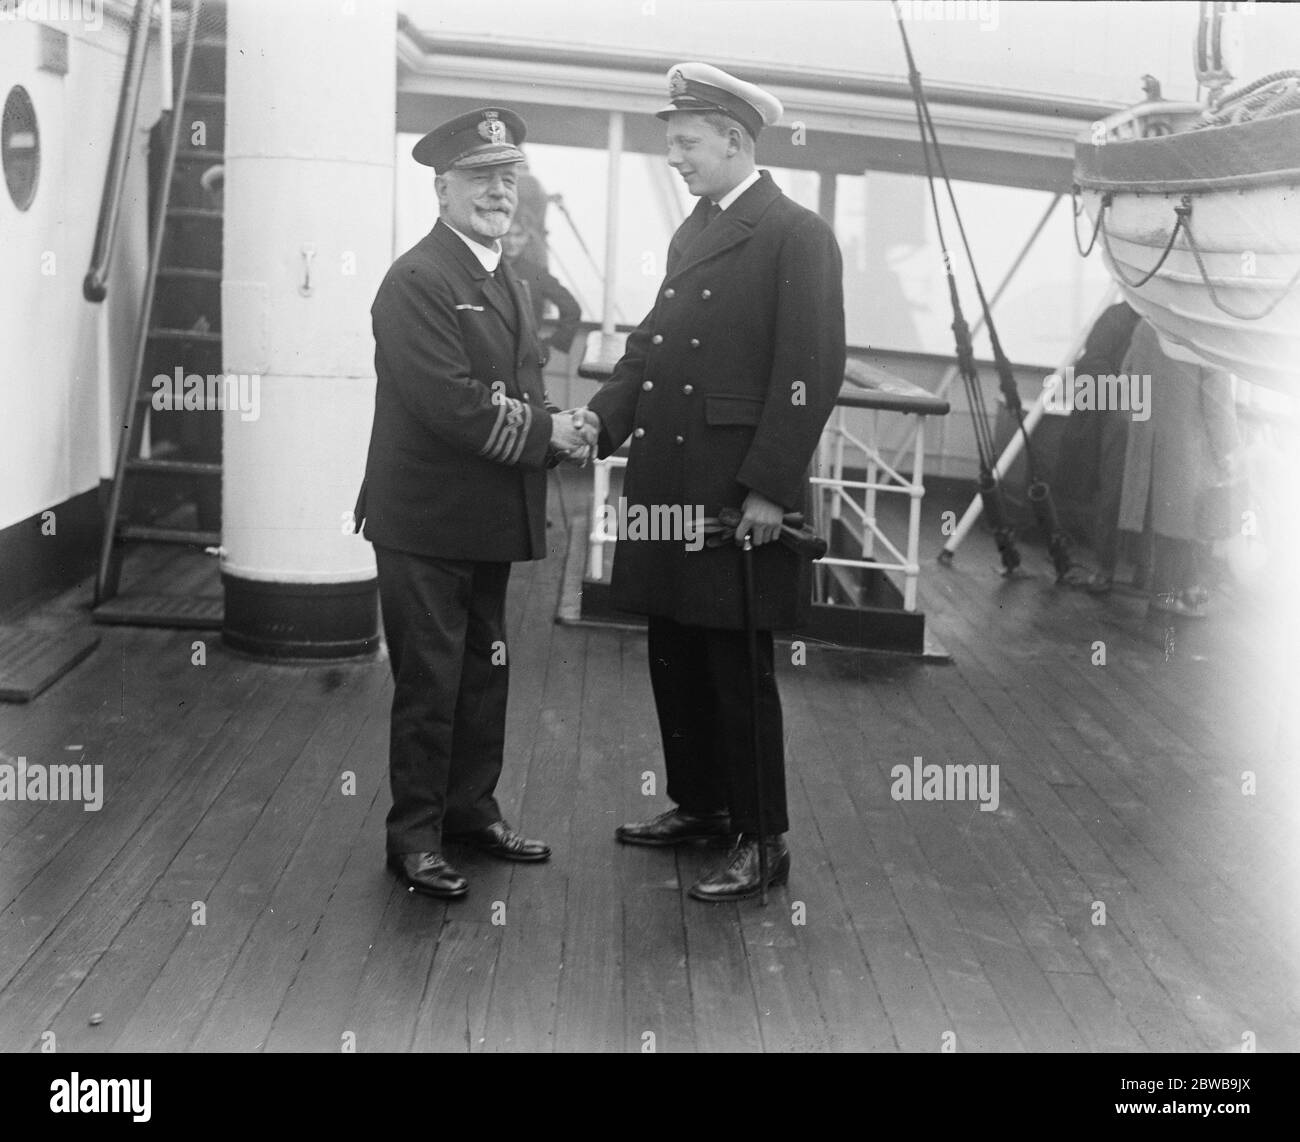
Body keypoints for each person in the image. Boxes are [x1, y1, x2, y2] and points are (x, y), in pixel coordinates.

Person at [577, 63, 846, 901]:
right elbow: (651, 345)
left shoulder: (796, 233)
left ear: (735, 141)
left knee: (735, 665)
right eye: (672, 145)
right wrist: (599, 422)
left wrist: (770, 487)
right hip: (667, 479)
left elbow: (811, 369)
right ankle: (700, 805)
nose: (676, 159)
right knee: (674, 651)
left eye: (687, 144)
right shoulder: (696, 228)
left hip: (731, 491)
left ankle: (763, 839)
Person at [353, 107, 595, 900]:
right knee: (431, 680)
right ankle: (414, 838)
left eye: (508, 177)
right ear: (441, 187)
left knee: (483, 673)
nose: (499, 191)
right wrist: (548, 431)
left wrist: (560, 427)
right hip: (423, 521)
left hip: (485, 516)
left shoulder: (505, 279)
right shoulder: (418, 280)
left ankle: (470, 813)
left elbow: (516, 389)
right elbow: (451, 405)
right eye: (482, 178)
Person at [1116, 319, 1239, 619]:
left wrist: (1138, 421)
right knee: (1183, 521)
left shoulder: (1146, 326)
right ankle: (1165, 595)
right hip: (1188, 441)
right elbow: (1217, 400)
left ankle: (1186, 586)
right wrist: (1228, 449)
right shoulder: (1203, 331)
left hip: (1150, 436)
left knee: (1163, 519)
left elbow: (1126, 375)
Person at [1057, 300, 1142, 593]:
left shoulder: (1142, 319)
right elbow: (1092, 363)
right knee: (1114, 491)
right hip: (1126, 412)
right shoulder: (1119, 318)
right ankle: (1106, 568)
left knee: (1133, 494)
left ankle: (1137, 569)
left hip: (1148, 415)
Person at [502, 220, 583, 362]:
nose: (511, 241)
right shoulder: (483, 269)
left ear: (527, 238)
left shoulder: (537, 274)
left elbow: (572, 309)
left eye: (518, 235)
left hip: (525, 356)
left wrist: (548, 345)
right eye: (506, 235)